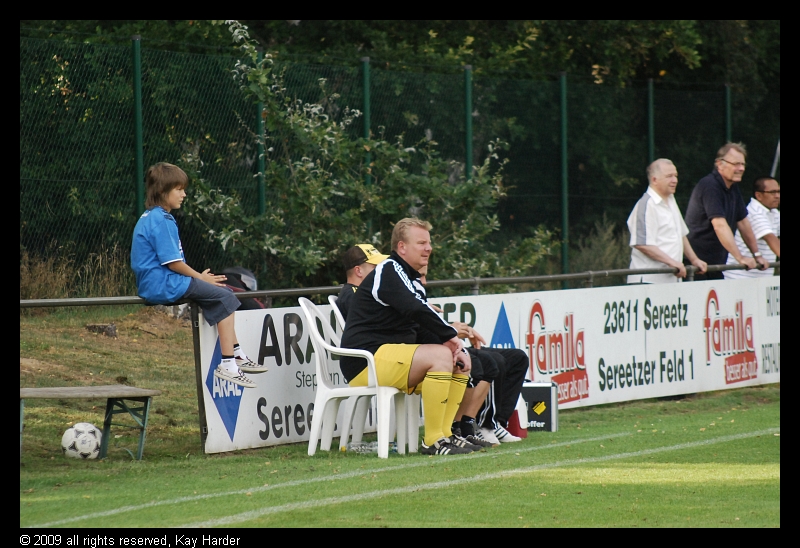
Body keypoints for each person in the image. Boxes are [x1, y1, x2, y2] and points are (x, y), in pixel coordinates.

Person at [340, 218, 474, 455]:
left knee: (461, 361)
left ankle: (446, 435)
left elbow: (416, 325)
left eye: (429, 243)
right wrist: (450, 335)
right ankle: (432, 441)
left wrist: (452, 345)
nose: (428, 248)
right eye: (421, 243)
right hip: (365, 360)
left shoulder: (408, 277)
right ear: (401, 247)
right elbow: (415, 309)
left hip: (388, 356)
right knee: (441, 355)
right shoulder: (389, 270)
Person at [130, 162, 266, 388]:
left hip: (159, 283)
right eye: (179, 189)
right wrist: (199, 278)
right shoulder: (161, 220)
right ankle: (228, 363)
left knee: (221, 292)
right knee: (226, 297)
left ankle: (237, 354)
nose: (184, 194)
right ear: (163, 191)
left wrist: (198, 279)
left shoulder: (150, 216)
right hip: (164, 284)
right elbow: (173, 263)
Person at [416, 267, 526, 447]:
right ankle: (472, 426)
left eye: (424, 276)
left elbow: (432, 328)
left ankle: (495, 423)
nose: (424, 282)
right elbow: (419, 336)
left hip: (446, 346)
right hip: (431, 353)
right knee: (490, 362)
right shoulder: (399, 298)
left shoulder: (414, 296)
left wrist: (461, 330)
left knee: (518, 358)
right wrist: (451, 332)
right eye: (420, 276)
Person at [684, 143, 769, 280]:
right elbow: (720, 226)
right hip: (695, 267)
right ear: (719, 164)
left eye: (743, 164)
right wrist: (740, 258)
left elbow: (743, 223)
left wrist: (757, 255)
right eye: (736, 164)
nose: (741, 168)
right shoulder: (709, 186)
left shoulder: (733, 188)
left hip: (715, 266)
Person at [626, 159, 707, 284]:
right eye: (669, 176)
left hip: (671, 280)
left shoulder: (671, 199)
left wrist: (694, 260)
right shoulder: (646, 205)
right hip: (648, 282)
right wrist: (672, 263)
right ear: (654, 180)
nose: (675, 180)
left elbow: (681, 235)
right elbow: (642, 244)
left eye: (675, 176)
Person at [724, 177, 780, 279]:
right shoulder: (753, 212)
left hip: (762, 278)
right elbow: (770, 238)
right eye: (772, 192)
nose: (777, 196)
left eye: (778, 192)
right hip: (739, 277)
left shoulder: (774, 212)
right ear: (758, 195)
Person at [336, 244, 389, 321]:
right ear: (358, 271)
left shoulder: (357, 293)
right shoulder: (353, 295)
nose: (381, 270)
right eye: (375, 267)